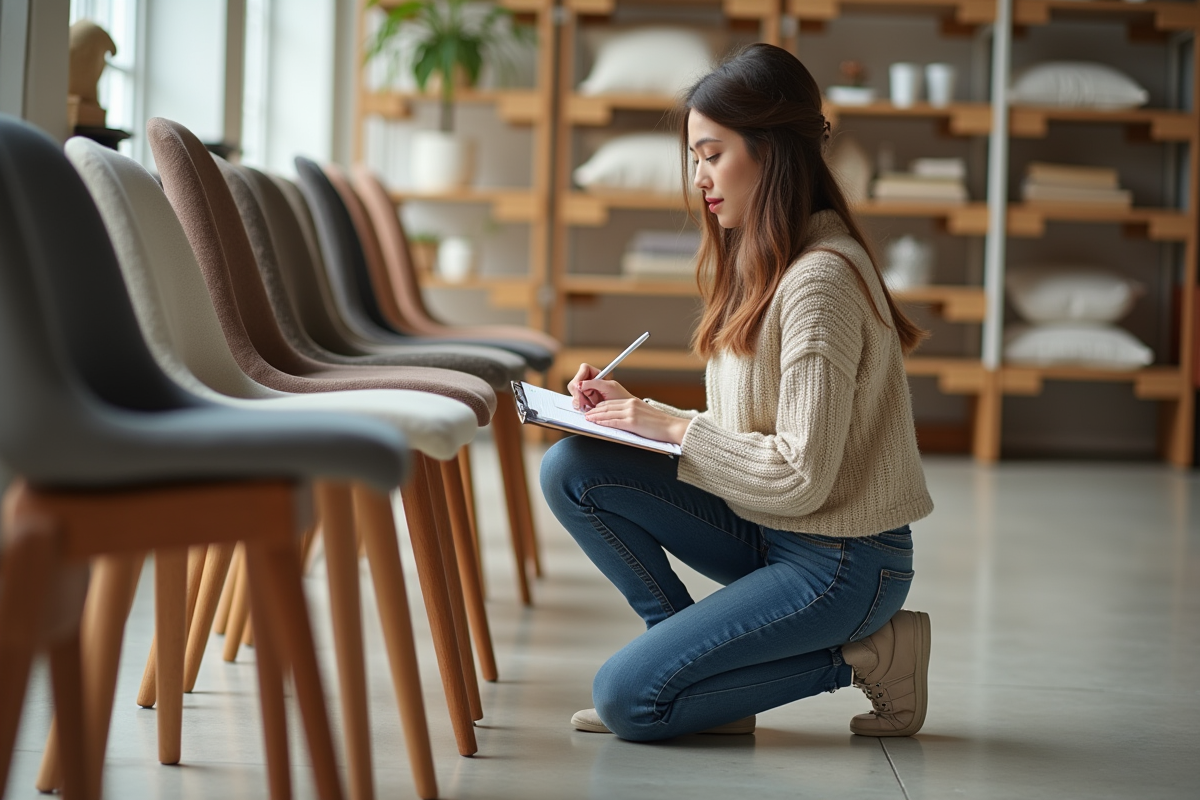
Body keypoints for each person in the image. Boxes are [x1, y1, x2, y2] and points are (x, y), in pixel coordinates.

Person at [539, 43, 934, 742]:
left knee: (632, 702)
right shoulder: (764, 261)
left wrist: (668, 427)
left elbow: (797, 474)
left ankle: (867, 654)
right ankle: (693, 668)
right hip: (777, 529)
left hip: (845, 559)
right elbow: (751, 433)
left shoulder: (819, 282)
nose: (699, 177)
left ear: (772, 150)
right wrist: (632, 416)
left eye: (712, 154)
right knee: (575, 468)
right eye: (694, 157)